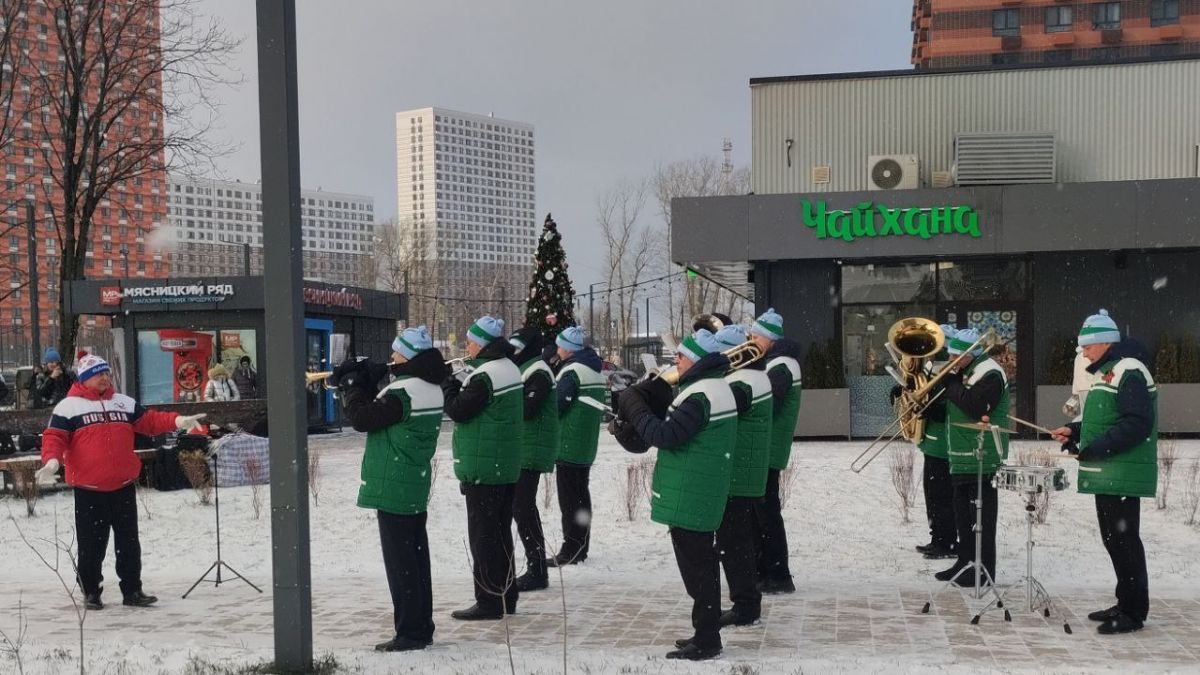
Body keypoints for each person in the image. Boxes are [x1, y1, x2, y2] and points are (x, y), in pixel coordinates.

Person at [33, 354, 206, 610]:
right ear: (84, 378)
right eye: (98, 374)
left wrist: (177, 421)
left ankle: (133, 590)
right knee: (91, 545)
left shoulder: (123, 403)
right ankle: (91, 591)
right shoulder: (68, 407)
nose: (104, 377)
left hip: (123, 485)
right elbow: (54, 438)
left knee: (128, 543)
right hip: (88, 489)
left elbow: (150, 421)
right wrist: (51, 462)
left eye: (106, 373)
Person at [617, 328, 736, 661]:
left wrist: (635, 406)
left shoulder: (700, 396)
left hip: (693, 492)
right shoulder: (713, 388)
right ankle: (705, 631)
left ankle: (708, 639)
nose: (677, 361)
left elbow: (665, 435)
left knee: (698, 567)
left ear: (696, 359)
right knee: (703, 565)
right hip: (701, 487)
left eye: (681, 356)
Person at [336, 326, 448, 651]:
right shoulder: (429, 387)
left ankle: (410, 632)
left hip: (394, 485)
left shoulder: (404, 392)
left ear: (409, 355)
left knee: (401, 566)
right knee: (416, 560)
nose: (391, 358)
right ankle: (421, 625)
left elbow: (361, 418)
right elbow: (385, 415)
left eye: (396, 353)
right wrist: (372, 384)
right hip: (411, 482)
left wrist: (354, 387)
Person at [1051, 309, 1156, 635]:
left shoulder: (1129, 371)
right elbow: (1102, 420)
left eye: (1087, 346)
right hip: (1109, 471)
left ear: (1105, 343)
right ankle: (1124, 601)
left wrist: (1097, 447)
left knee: (1124, 541)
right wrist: (1075, 432)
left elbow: (1138, 422)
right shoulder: (1107, 372)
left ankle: (1134, 612)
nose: (1083, 352)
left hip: (1121, 471)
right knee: (1114, 540)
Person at [441, 315, 523, 620]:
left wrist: (449, 385)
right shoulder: (509, 368)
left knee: (484, 537)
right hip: (503, 465)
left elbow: (459, 411)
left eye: (471, 341)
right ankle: (506, 596)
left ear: (483, 344)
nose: (467, 346)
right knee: (501, 533)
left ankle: (489, 601)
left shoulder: (486, 374)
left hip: (484, 468)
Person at [933, 328, 1009, 588]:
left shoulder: (990, 372)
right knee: (963, 517)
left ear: (970, 354)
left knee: (981, 520)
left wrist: (952, 384)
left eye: (956, 355)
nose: (952, 359)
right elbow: (954, 406)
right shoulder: (966, 371)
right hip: (961, 455)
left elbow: (976, 407)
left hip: (982, 456)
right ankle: (964, 562)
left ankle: (982, 570)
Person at [712, 324, 771, 628]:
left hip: (738, 472)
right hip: (744, 470)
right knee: (739, 541)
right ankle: (746, 601)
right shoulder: (754, 377)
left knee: (734, 543)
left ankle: (745, 605)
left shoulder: (743, 383)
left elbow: (718, 409)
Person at [747, 308, 803, 593]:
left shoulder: (780, 365)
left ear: (769, 339)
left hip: (768, 448)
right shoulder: (779, 362)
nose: (751, 340)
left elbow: (769, 404)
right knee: (762, 513)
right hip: (768, 447)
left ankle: (778, 574)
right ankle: (767, 572)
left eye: (755, 336)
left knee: (766, 514)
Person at [547, 325, 607, 566]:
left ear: (568, 350)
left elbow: (556, 405)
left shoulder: (572, 373)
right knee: (581, 498)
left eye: (560, 346)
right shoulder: (594, 371)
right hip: (585, 444)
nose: (557, 349)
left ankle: (570, 549)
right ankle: (581, 545)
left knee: (570, 501)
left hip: (568, 444)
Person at [507, 326, 559, 592]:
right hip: (524, 446)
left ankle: (537, 569)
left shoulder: (537, 371)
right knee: (522, 507)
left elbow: (528, 408)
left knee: (522, 507)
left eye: (516, 345)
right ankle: (536, 566)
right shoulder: (525, 368)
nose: (512, 350)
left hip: (531, 447)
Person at [912, 324, 959, 561]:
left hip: (944, 442)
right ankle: (937, 537)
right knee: (932, 493)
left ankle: (946, 541)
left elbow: (949, 401)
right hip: (931, 440)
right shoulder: (930, 363)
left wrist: (932, 409)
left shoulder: (949, 366)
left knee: (941, 495)